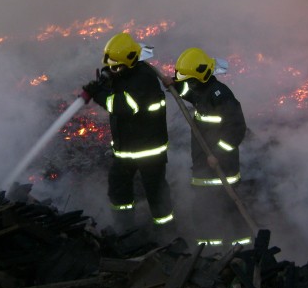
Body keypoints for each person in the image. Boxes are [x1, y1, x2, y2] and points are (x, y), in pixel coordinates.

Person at [80, 32, 175, 236]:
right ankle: (125, 229)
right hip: (125, 150)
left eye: (116, 67)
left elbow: (121, 106)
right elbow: (114, 76)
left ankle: (166, 233)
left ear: (130, 61)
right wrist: (104, 80)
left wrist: (98, 94)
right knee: (118, 190)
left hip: (149, 150)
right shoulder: (124, 71)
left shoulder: (145, 79)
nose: (113, 70)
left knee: (156, 192)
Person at [167, 47, 250, 249]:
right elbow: (189, 93)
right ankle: (210, 252)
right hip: (204, 168)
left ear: (201, 77)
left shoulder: (221, 96)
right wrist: (174, 85)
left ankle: (241, 250)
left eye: (191, 81)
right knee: (204, 212)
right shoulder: (202, 91)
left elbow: (236, 128)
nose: (189, 85)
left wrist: (217, 154)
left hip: (221, 169)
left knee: (229, 210)